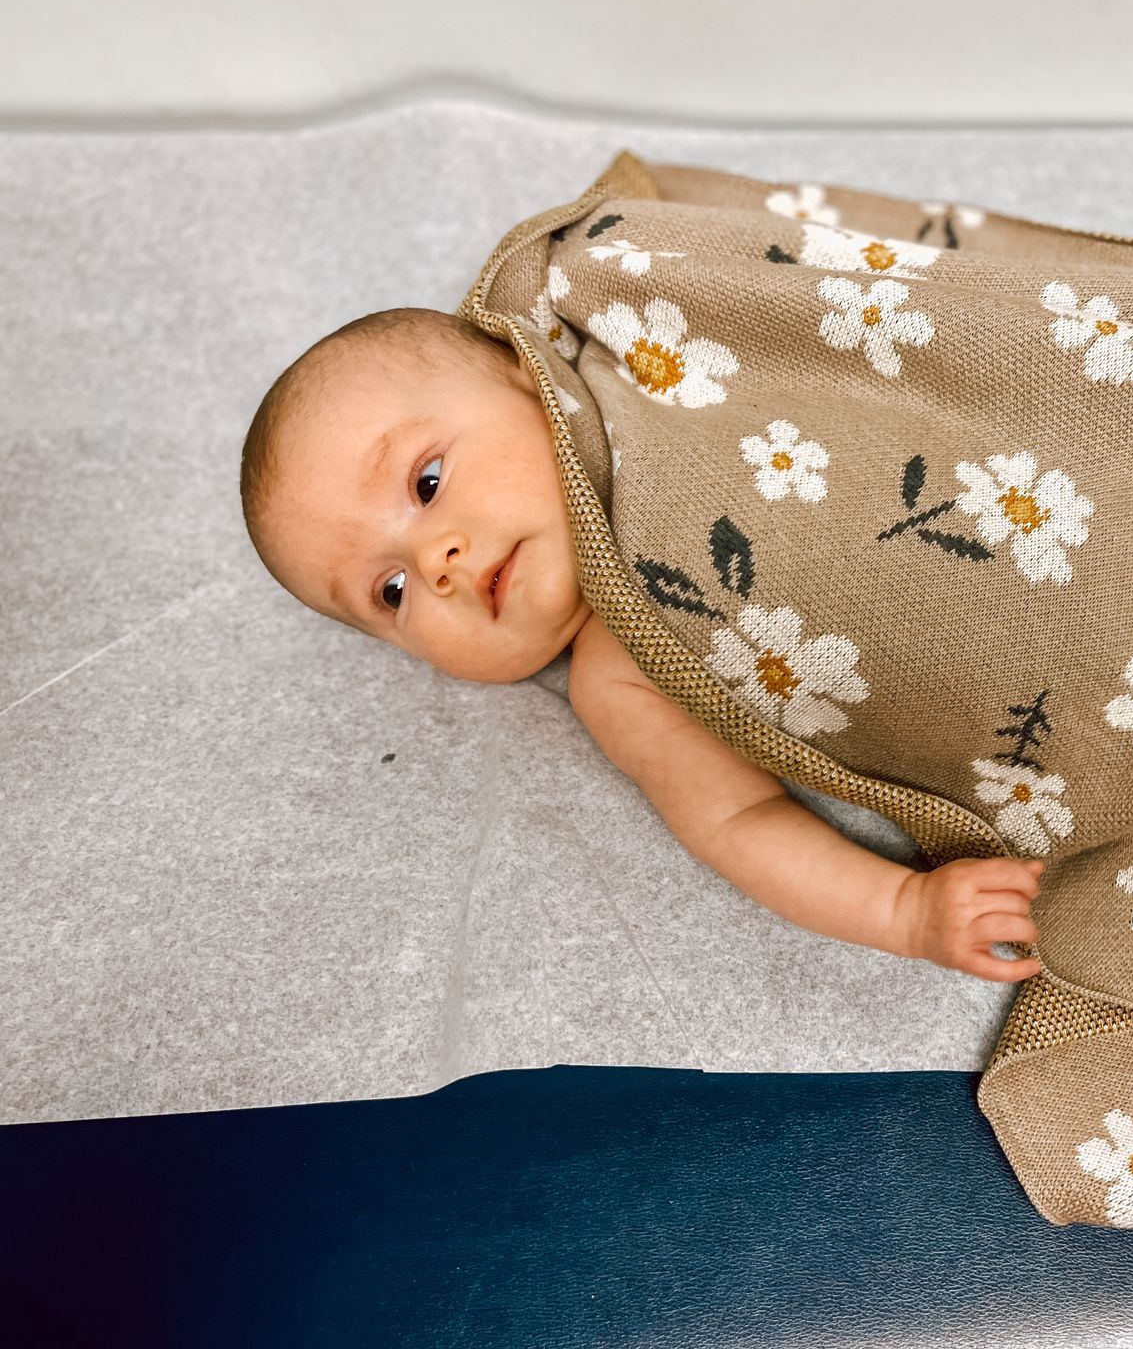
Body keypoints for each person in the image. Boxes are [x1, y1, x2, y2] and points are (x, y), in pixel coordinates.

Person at [239, 306, 1048, 986]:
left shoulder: (645, 362)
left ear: (526, 372)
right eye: (391, 593)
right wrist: (904, 913)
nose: (434, 563)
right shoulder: (619, 672)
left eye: (427, 483)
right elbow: (739, 820)